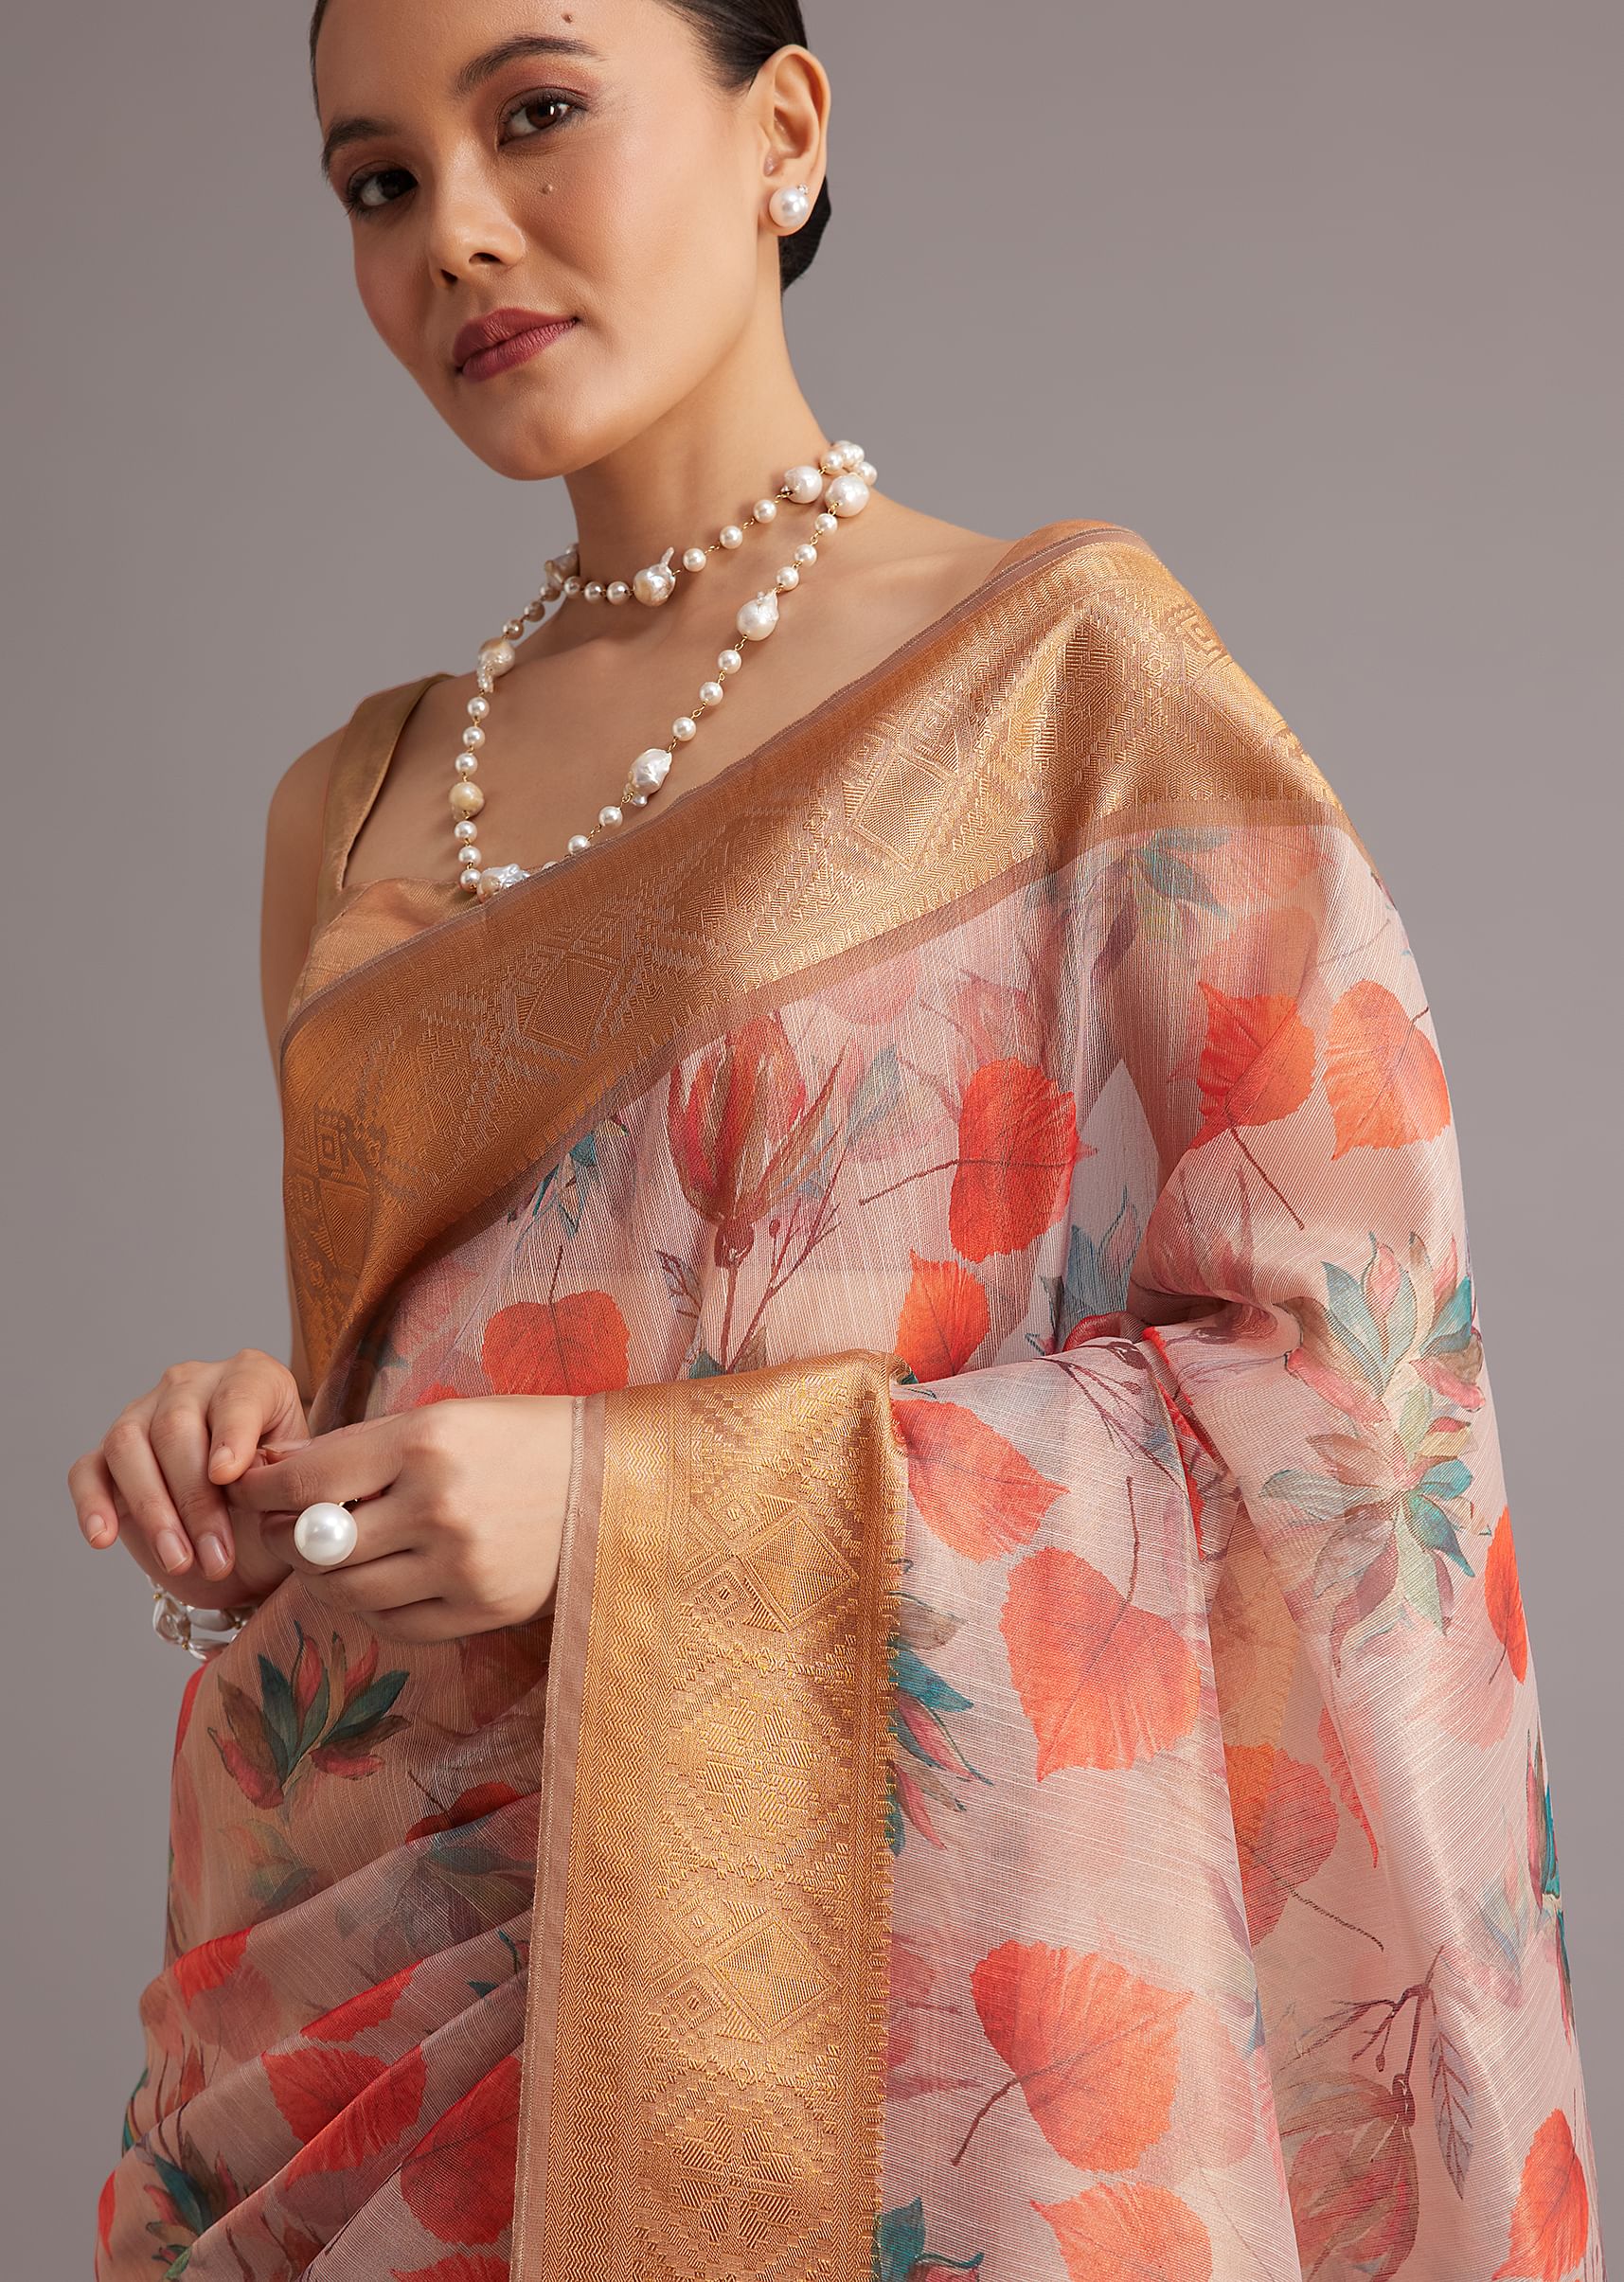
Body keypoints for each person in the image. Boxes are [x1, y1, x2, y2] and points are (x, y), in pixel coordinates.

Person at [71, 2, 1603, 2276]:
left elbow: (1354, 1404)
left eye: (537, 112)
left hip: (872, 2037)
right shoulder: (349, 802)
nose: (454, 231)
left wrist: (627, 1507)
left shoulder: (1068, 685)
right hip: (378, 2009)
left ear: (783, 127)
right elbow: (437, 1361)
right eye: (378, 180)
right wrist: (257, 1464)